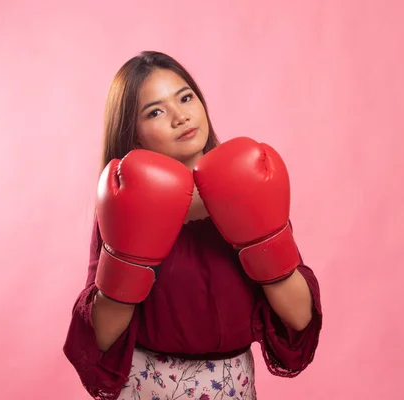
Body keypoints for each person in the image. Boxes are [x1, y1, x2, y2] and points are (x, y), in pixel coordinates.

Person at [63, 50, 323, 400]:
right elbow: (101, 338)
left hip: (232, 387)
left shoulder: (247, 184)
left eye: (185, 97)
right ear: (134, 134)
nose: (180, 116)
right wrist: (129, 261)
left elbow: (298, 319)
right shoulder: (123, 203)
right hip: (145, 388)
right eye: (155, 111)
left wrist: (261, 243)